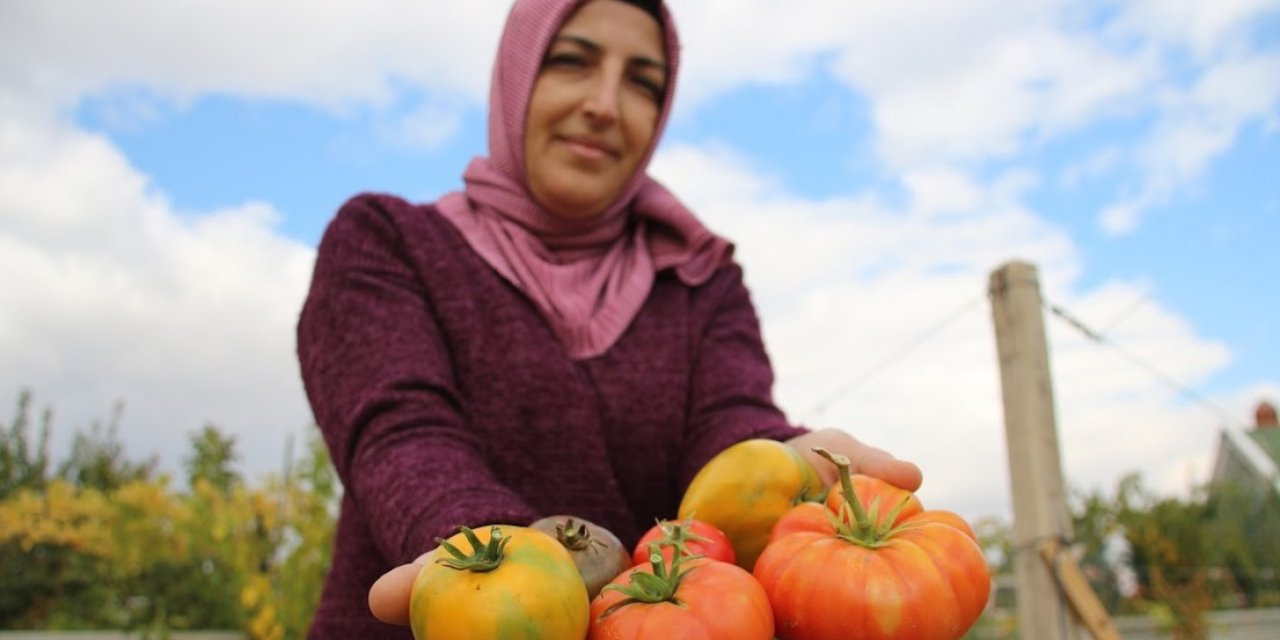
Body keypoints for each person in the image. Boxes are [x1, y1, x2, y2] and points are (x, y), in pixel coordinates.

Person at [296, 0, 922, 636]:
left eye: (642, 83)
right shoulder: (387, 241)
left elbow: (727, 423)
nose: (605, 104)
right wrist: (487, 555)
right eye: (572, 62)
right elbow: (401, 429)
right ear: (517, 78)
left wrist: (779, 464)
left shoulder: (699, 277)